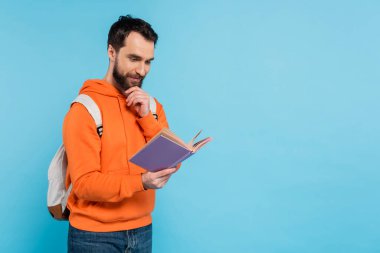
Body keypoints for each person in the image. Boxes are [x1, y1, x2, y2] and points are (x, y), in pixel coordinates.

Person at [63, 15, 178, 253]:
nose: (142, 70)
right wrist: (142, 182)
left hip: (143, 230)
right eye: (134, 58)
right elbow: (84, 184)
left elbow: (169, 161)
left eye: (148, 61)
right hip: (93, 236)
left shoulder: (153, 107)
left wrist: (146, 118)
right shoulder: (85, 109)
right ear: (112, 52)